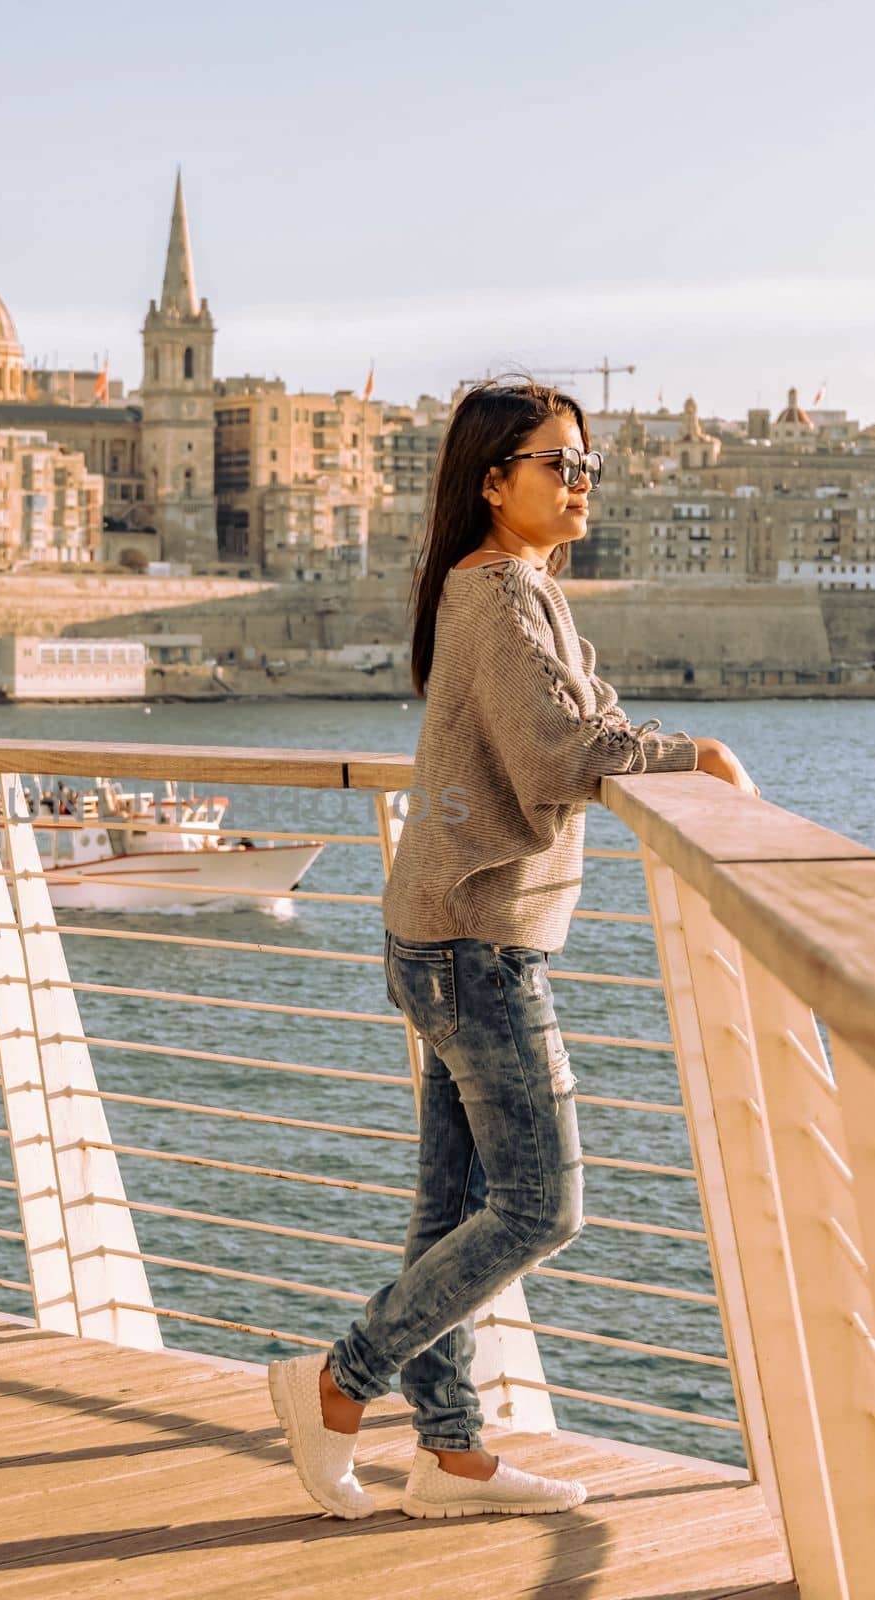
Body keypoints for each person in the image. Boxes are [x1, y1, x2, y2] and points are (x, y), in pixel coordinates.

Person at [267, 379, 758, 1522]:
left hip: (446, 928)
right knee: (542, 1204)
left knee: (453, 1213)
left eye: (588, 465)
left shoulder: (515, 589)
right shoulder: (498, 598)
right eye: (557, 463)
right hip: (476, 944)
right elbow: (558, 755)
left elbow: (579, 722)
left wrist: (657, 742)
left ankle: (448, 1453)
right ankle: (337, 1383)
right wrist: (702, 753)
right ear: (493, 480)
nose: (579, 482)